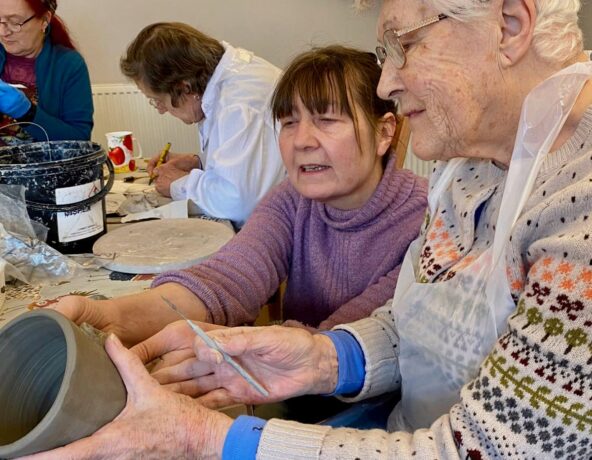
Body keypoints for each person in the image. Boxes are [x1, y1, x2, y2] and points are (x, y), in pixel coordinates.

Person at [30, 0, 592, 459]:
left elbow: (482, 451)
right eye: (289, 122)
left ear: (509, 25)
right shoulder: (467, 169)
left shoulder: (578, 207)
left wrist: (206, 438)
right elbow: (410, 324)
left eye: (407, 44)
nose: (389, 79)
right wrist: (320, 356)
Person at [51, 45, 428, 348]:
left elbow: (344, 343)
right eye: (289, 123)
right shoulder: (292, 201)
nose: (302, 141)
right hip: (299, 387)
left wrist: (230, 346)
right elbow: (226, 279)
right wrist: (110, 317)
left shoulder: (426, 221)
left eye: (327, 120)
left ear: (384, 133)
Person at [120, 22, 286, 227]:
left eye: (158, 100)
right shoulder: (226, 78)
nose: (161, 110)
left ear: (184, 88)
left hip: (283, 228)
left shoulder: (238, 105)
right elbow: (251, 161)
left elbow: (237, 202)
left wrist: (178, 184)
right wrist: (197, 161)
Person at [0, 0, 93, 145]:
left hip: (45, 166)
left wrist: (27, 112)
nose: (3, 32)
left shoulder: (69, 65)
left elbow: (80, 140)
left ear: (45, 20)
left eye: (15, 22)